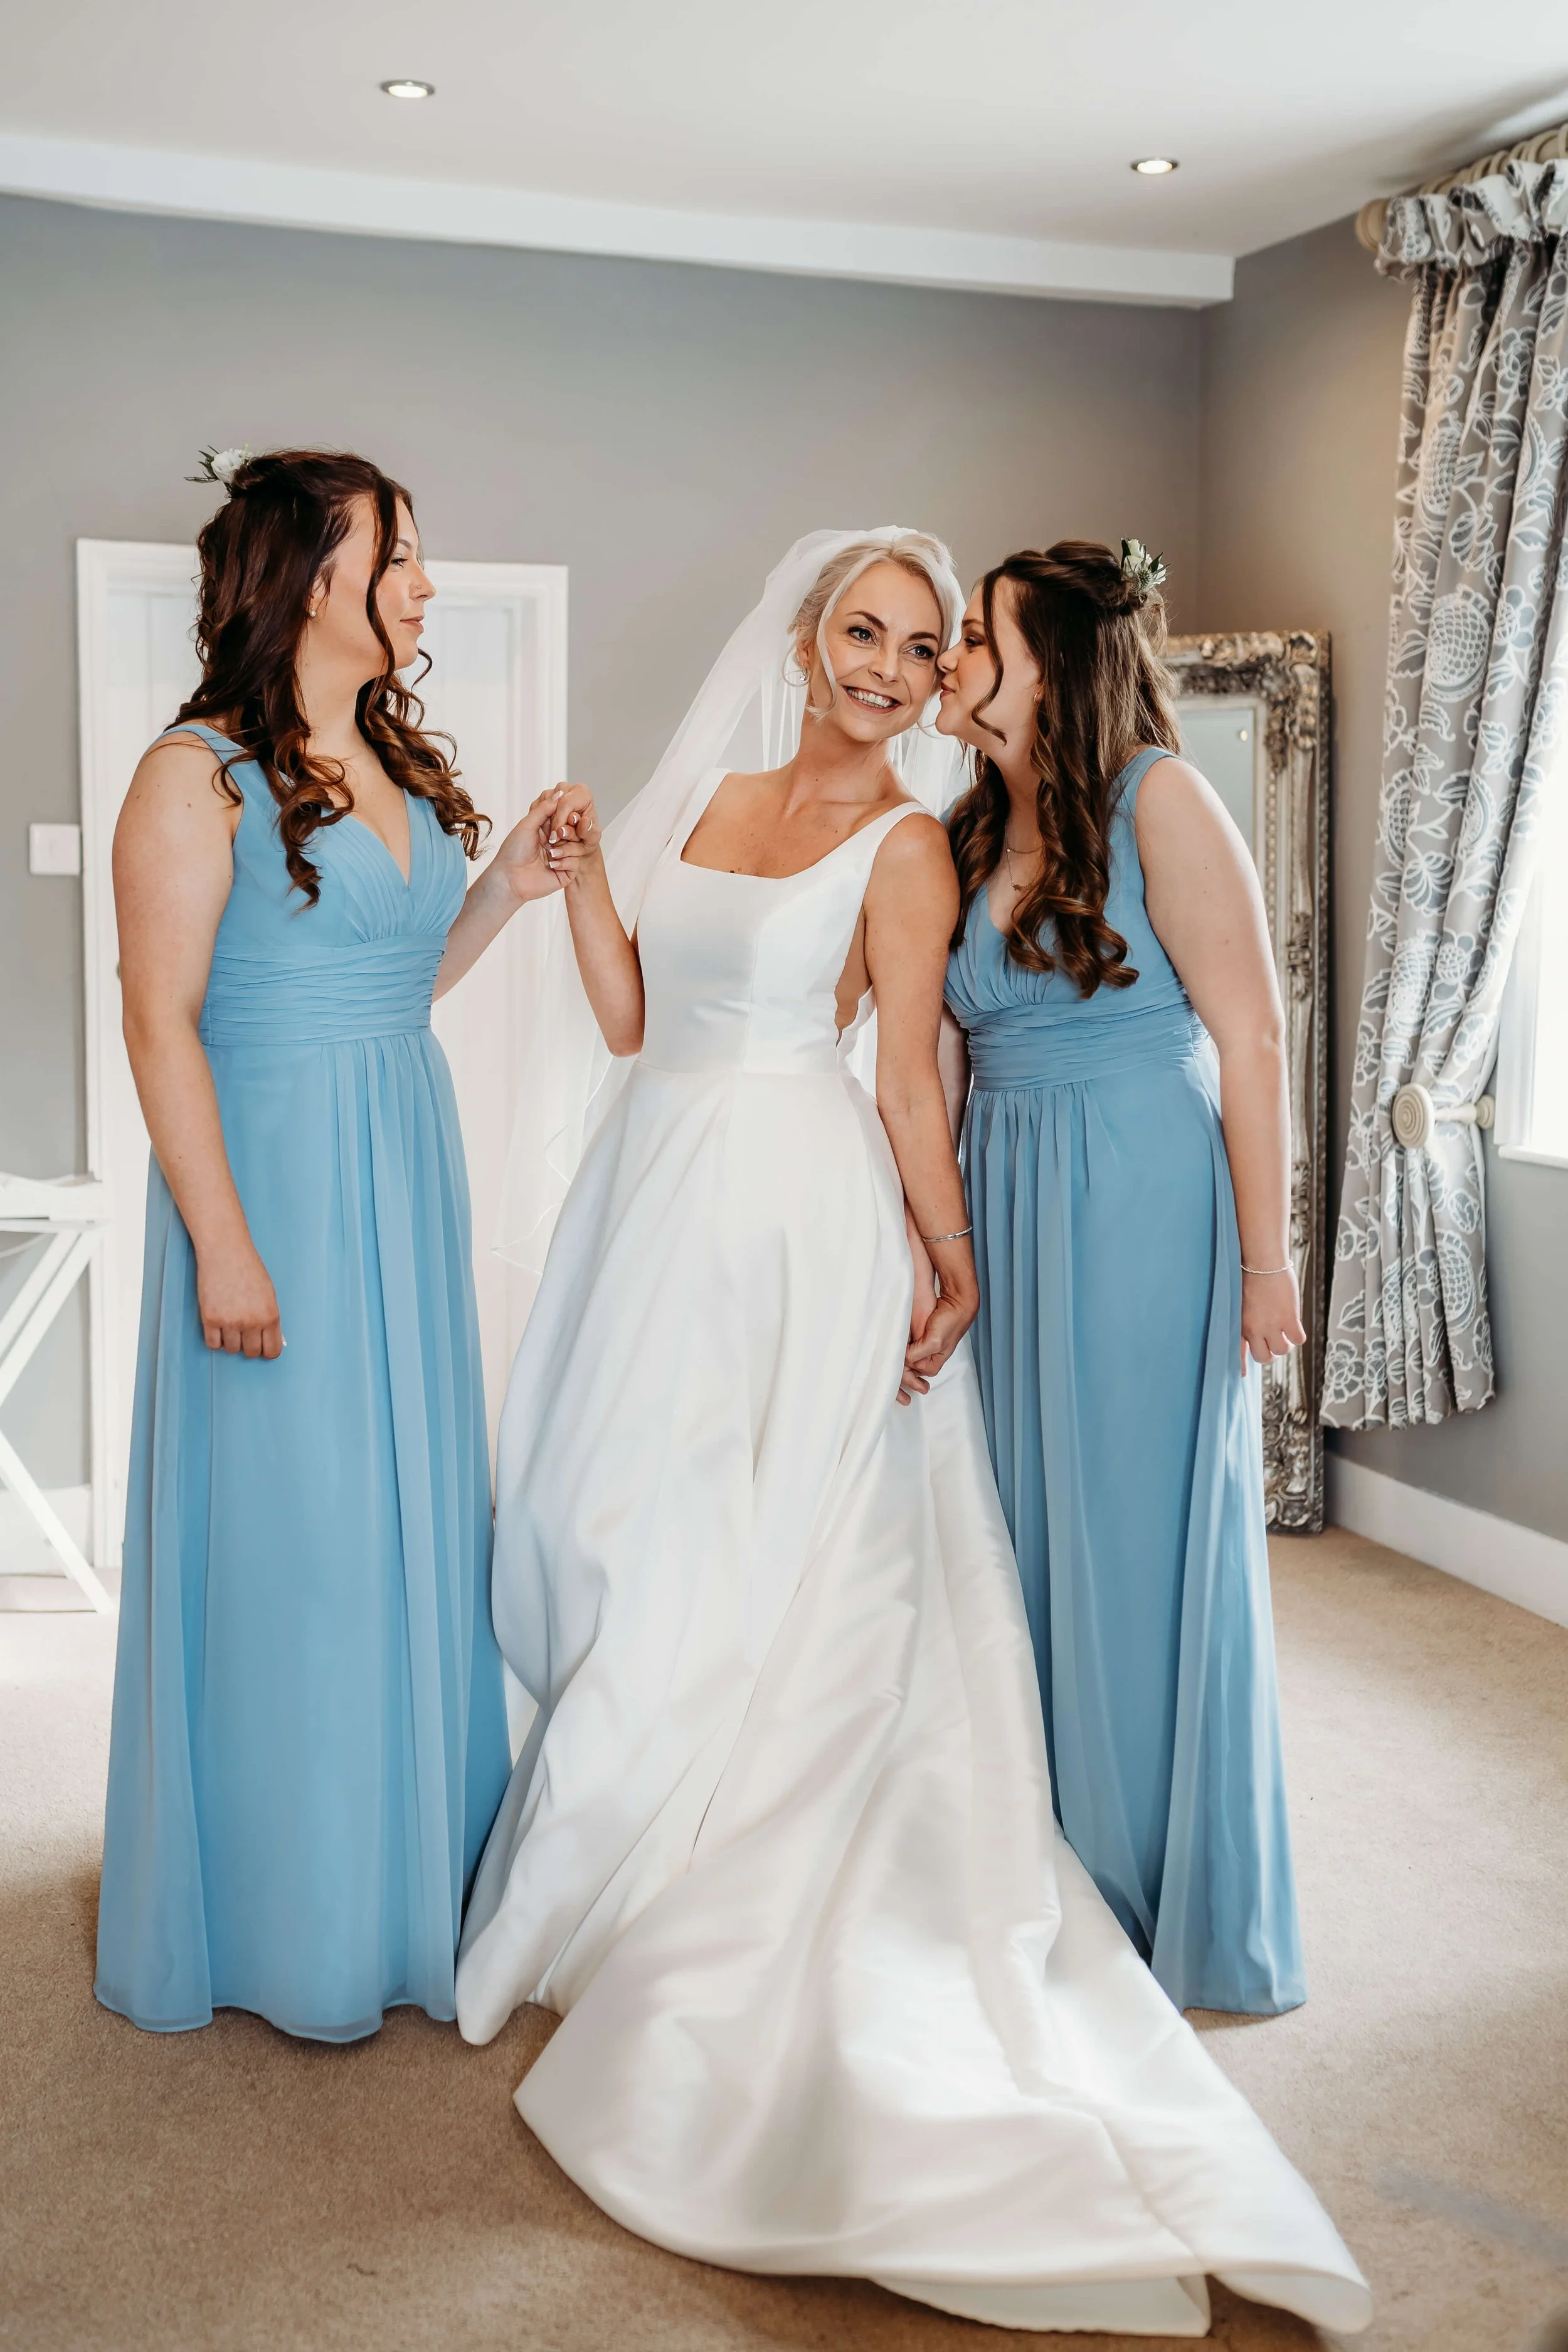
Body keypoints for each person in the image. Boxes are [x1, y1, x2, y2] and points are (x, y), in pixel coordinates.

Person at [453, 527, 1369, 2336]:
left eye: (947, 644)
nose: (912, 667)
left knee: (1065, 1530)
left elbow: (1004, 1057)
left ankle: (1159, 1886)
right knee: (710, 1520)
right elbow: (666, 1018)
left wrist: (998, 1254)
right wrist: (569, 886)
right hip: (710, 1195)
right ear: (800, 632)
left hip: (966, 1193)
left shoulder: (1013, 825)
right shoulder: (911, 819)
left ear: (1014, 660)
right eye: (873, 634)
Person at [96, 448, 560, 2042]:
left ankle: (402, 1874)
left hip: (400, 1165)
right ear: (312, 576)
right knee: (296, 1547)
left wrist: (502, 889)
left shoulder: (384, 754)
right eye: (403, 557)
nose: (426, 586)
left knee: (405, 1520)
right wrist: (221, 1241)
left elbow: (394, 979)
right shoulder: (192, 774)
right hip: (274, 1182)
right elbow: (160, 1026)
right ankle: (284, 1909)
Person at [935, 539, 1305, 2017]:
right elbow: (944, 1061)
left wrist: (1267, 1265)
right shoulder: (963, 827)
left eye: (976, 640)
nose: (952, 664)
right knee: (1016, 1530)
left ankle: (1156, 1885)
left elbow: (1255, 1037)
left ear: (1052, 665)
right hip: (1005, 1201)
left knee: (1130, 1537)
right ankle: (1046, 1869)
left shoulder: (1161, 796)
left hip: (1140, 1194)